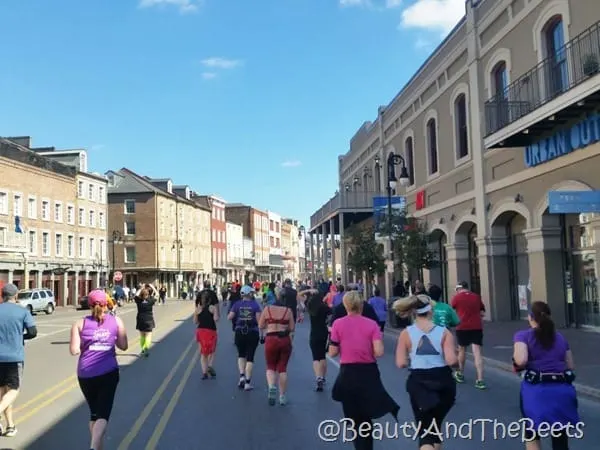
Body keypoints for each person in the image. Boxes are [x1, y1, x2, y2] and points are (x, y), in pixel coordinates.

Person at [329, 291, 399, 450]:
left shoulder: (338, 324)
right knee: (366, 416)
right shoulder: (371, 324)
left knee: (353, 418)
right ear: (361, 305)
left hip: (348, 373)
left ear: (345, 305)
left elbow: (332, 352)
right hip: (368, 373)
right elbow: (379, 352)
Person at [394, 294, 458, 450]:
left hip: (419, 382)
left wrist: (412, 357)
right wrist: (456, 364)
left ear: (414, 312)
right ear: (431, 312)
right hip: (443, 381)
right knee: (435, 427)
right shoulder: (444, 332)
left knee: (425, 432)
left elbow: (401, 362)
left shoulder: (406, 333)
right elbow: (451, 361)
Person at [513, 301, 579, 450]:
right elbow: (570, 365)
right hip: (562, 391)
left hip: (536, 391)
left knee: (532, 434)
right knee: (560, 437)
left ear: (530, 317)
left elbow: (521, 360)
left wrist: (516, 363)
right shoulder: (560, 338)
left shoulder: (523, 336)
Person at [69, 289, 128, 450]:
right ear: (106, 303)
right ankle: (94, 447)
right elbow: (124, 346)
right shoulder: (116, 321)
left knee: (94, 413)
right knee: (103, 415)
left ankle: (98, 447)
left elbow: (74, 350)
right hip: (108, 372)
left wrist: (89, 342)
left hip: (85, 374)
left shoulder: (79, 323)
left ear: (89, 305)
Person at [0, 284, 37, 438]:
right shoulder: (22, 311)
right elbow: (33, 332)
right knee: (14, 389)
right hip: (14, 357)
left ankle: (10, 426)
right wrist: (21, 337)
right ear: (16, 296)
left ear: (2, 295)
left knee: (3, 392)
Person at [258, 292, 295, 405]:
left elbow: (261, 325)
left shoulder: (267, 309)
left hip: (271, 338)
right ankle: (282, 396)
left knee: (270, 366)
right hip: (284, 340)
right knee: (282, 368)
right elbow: (292, 328)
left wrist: (270, 324)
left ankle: (271, 387)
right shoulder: (288, 311)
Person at [450, 281, 486, 389]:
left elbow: (452, 310)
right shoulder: (476, 297)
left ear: (458, 289)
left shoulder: (456, 298)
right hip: (476, 327)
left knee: (462, 350)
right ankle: (480, 380)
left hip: (462, 326)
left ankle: (460, 374)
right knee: (477, 352)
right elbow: (482, 312)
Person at [227, 285, 262, 391]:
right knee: (250, 357)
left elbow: (230, 317)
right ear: (250, 294)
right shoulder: (255, 305)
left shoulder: (237, 304)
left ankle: (241, 376)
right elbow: (260, 322)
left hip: (239, 332)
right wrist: (262, 334)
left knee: (241, 355)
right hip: (252, 332)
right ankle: (247, 382)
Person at [304, 285, 331, 391]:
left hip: (314, 333)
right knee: (323, 356)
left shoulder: (310, 306)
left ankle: (318, 377)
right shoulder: (324, 307)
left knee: (315, 357)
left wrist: (308, 290)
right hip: (323, 332)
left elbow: (299, 295)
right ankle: (323, 377)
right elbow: (331, 314)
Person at [194, 289, 220, 379]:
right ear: (210, 300)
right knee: (212, 351)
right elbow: (216, 319)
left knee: (203, 353)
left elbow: (195, 322)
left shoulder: (198, 309)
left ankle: (204, 373)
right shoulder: (212, 308)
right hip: (211, 331)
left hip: (200, 331)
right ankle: (209, 365)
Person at [134, 284, 158, 357]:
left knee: (142, 336)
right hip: (149, 319)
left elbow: (136, 295)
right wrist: (153, 287)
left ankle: (143, 349)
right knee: (148, 335)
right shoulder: (150, 300)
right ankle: (146, 348)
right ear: (148, 295)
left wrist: (141, 288)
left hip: (140, 319)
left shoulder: (139, 300)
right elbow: (157, 294)